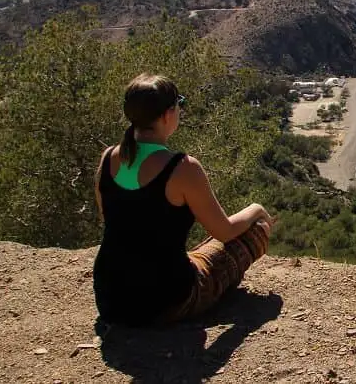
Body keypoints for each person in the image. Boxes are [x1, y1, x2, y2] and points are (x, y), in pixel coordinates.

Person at [93, 73, 273, 326]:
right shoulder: (182, 168)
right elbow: (224, 231)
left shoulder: (108, 158)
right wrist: (256, 209)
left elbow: (111, 221)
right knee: (254, 230)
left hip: (111, 298)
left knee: (198, 251)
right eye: (180, 104)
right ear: (168, 114)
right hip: (167, 299)